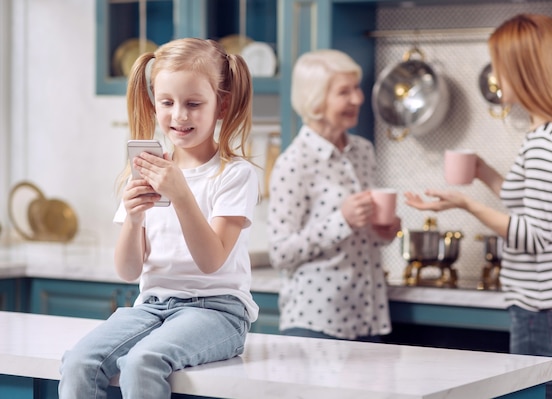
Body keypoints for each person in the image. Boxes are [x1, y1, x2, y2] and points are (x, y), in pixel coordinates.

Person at [405, 14, 552, 399]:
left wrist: (466, 204)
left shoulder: (546, 143)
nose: (497, 76)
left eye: (501, 66)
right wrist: (484, 173)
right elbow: (533, 202)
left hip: (545, 312)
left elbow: (532, 236)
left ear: (525, 72)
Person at [58, 38, 259, 398]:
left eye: (193, 104)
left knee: (142, 362)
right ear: (154, 103)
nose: (179, 115)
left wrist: (181, 195)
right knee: (77, 363)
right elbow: (128, 271)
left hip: (218, 311)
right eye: (167, 102)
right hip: (152, 305)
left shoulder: (234, 174)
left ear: (222, 105)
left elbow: (211, 260)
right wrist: (134, 220)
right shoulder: (149, 171)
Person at [267, 49, 401, 342]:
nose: (357, 98)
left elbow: (363, 236)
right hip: (316, 324)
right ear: (315, 100)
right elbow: (280, 253)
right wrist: (341, 220)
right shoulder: (294, 163)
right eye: (344, 91)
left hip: (368, 318)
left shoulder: (363, 151)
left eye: (356, 88)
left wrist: (384, 231)